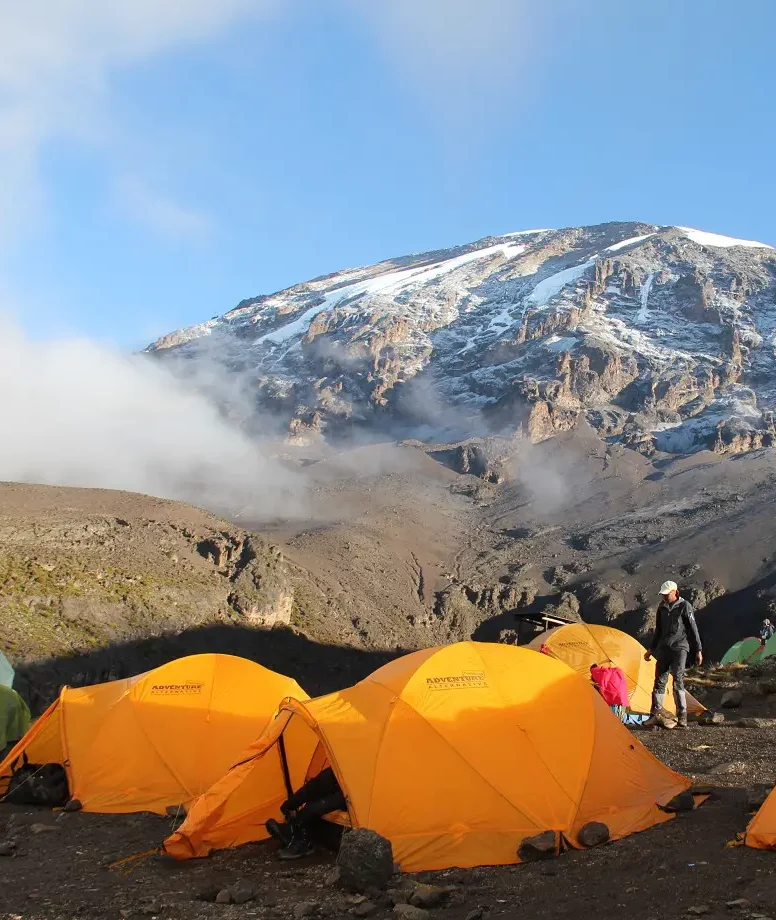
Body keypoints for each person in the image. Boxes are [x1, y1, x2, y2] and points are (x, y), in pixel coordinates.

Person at [644, 580, 702, 729]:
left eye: (666, 594)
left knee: (678, 679)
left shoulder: (684, 606)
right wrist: (652, 648)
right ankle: (656, 714)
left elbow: (692, 629)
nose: (664, 597)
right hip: (664, 648)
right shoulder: (662, 607)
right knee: (659, 680)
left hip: (680, 648)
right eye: (662, 594)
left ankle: (682, 716)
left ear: (675, 592)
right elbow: (658, 630)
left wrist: (698, 650)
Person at [265, 766, 347, 860]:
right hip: (349, 781)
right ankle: (293, 826)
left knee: (316, 806)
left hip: (360, 798)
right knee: (328, 776)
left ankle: (301, 838)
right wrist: (293, 802)